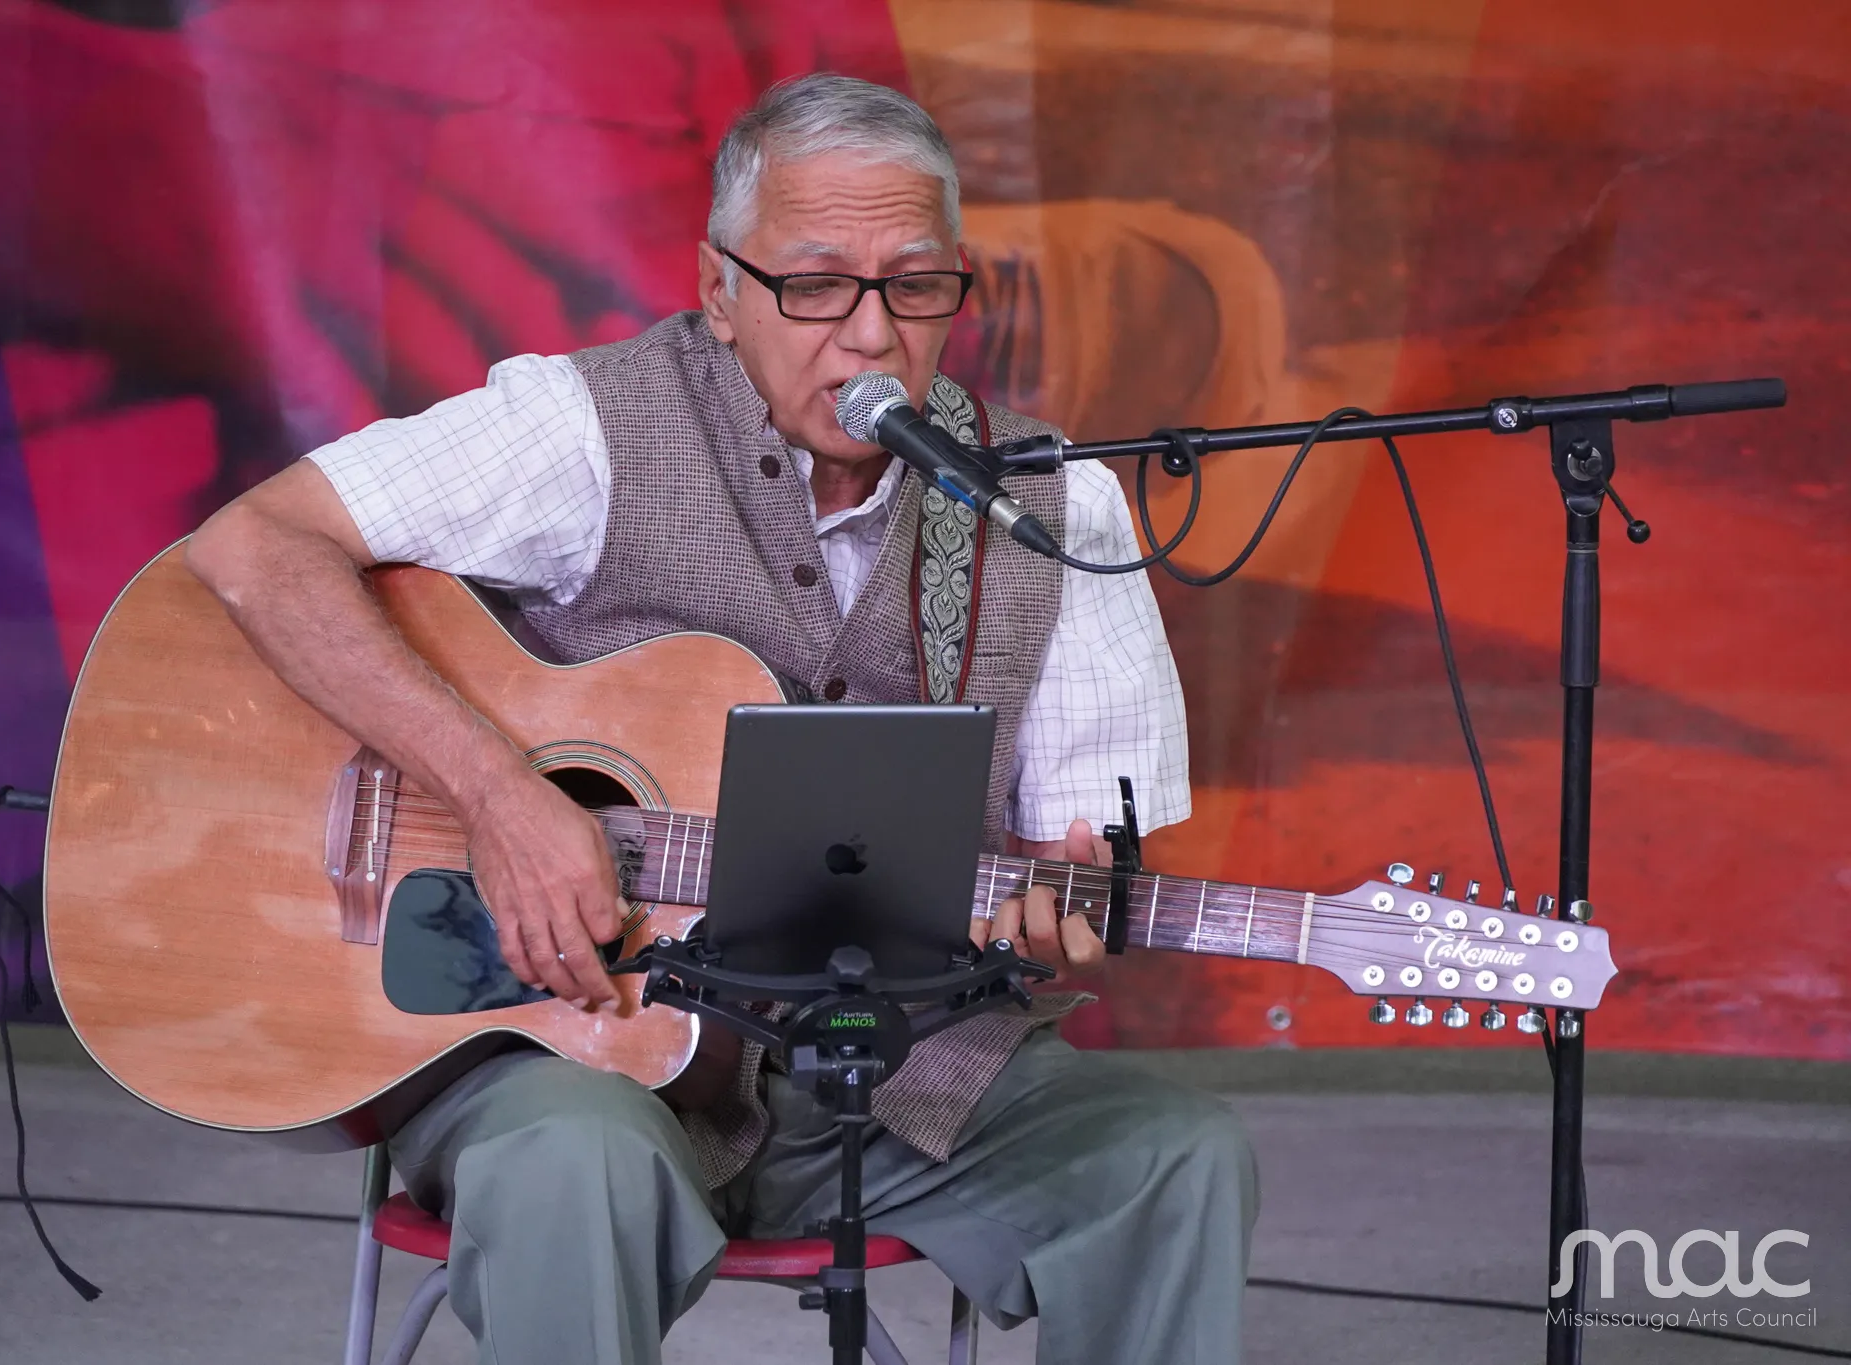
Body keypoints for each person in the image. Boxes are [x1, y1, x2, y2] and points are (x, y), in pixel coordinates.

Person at [185, 73, 1257, 1365]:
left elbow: (1090, 850)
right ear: (718, 289)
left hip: (898, 1080)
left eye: (914, 285)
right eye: (815, 284)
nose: (869, 334)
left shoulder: (1051, 507)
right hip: (569, 1059)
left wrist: (1074, 893)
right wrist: (499, 793)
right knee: (572, 1166)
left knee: (1170, 1157)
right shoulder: (584, 430)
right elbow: (258, 547)